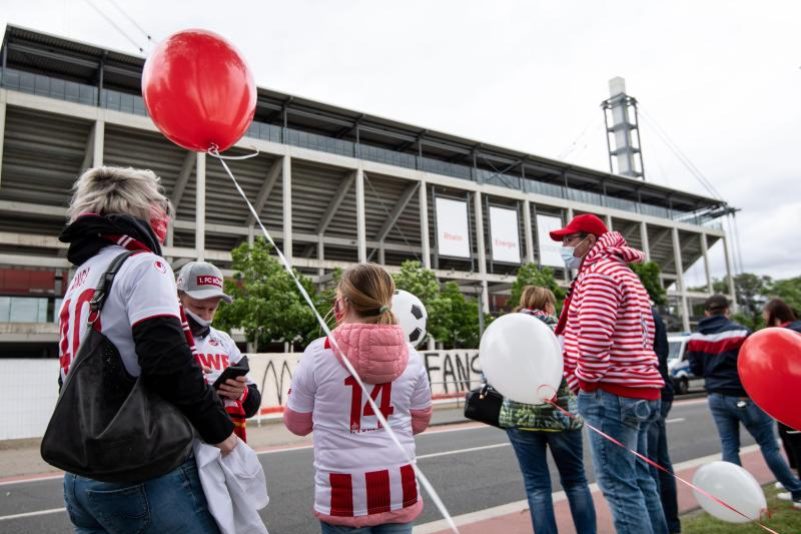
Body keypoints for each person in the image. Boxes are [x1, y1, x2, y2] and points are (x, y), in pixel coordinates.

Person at [57, 166, 236, 533]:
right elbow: (169, 364)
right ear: (141, 210)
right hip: (138, 465)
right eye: (159, 206)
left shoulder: (83, 272)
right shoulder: (144, 266)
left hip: (80, 469)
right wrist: (220, 430)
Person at [283, 263, 432, 534]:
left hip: (343, 492)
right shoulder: (411, 355)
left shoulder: (318, 352)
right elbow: (420, 421)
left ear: (342, 304)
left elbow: (297, 424)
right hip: (398, 486)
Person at [550, 213, 667, 534]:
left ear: (589, 241)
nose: (564, 247)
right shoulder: (623, 273)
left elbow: (594, 337)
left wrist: (585, 382)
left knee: (618, 486)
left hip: (610, 391)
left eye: (569, 241)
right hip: (639, 387)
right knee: (641, 479)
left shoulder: (598, 275)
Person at [687, 295, 801, 508]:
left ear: (706, 312)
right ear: (727, 310)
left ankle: (735, 499)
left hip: (715, 396)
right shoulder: (740, 332)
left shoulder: (696, 337)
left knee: (729, 446)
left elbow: (695, 369)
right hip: (742, 395)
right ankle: (797, 492)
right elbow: (755, 359)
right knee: (768, 445)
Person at [502, 286, 596, 534]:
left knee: (536, 487)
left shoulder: (507, 331)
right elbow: (576, 367)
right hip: (560, 416)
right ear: (547, 306)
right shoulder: (563, 328)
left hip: (519, 418)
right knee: (576, 482)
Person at [177, 261, 262, 442]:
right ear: (178, 297)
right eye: (199, 307)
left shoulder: (224, 340)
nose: (206, 316)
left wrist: (240, 393)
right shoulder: (165, 339)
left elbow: (253, 403)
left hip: (223, 443)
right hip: (180, 446)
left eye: (212, 309)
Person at [762, 298, 801, 497]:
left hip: (790, 397)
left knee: (793, 440)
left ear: (774, 316)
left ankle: (798, 488)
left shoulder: (781, 335)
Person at [647, 307, 680, 533]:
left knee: (649, 469)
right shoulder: (652, 314)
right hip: (660, 389)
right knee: (659, 464)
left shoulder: (639, 314)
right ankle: (670, 525)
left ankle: (661, 526)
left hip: (648, 391)